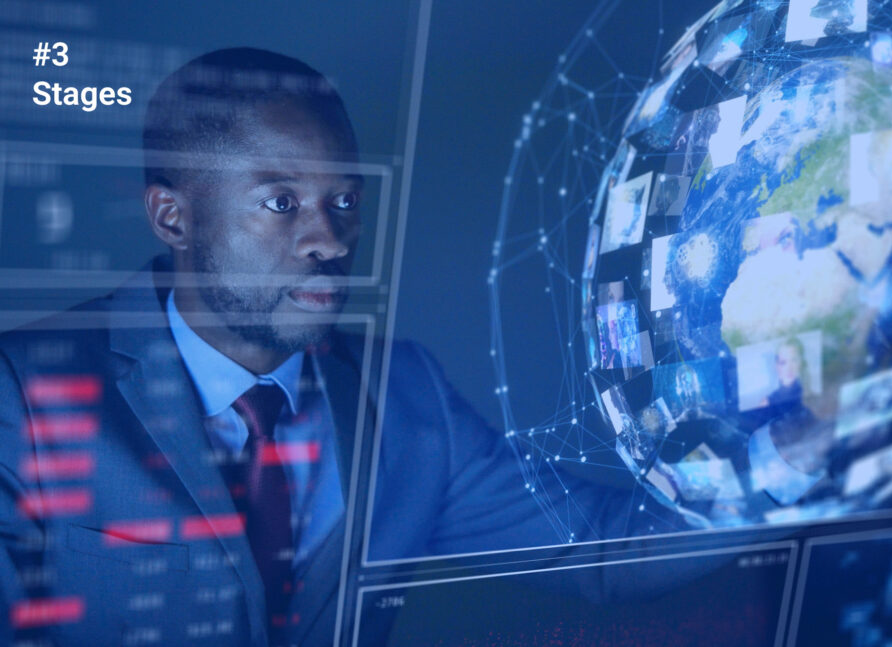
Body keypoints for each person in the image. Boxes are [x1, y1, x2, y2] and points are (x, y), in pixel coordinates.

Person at [0, 48, 699, 647]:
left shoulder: (408, 395)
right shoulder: (22, 392)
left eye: (345, 202)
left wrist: (781, 447)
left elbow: (608, 550)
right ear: (172, 216)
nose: (331, 242)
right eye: (282, 203)